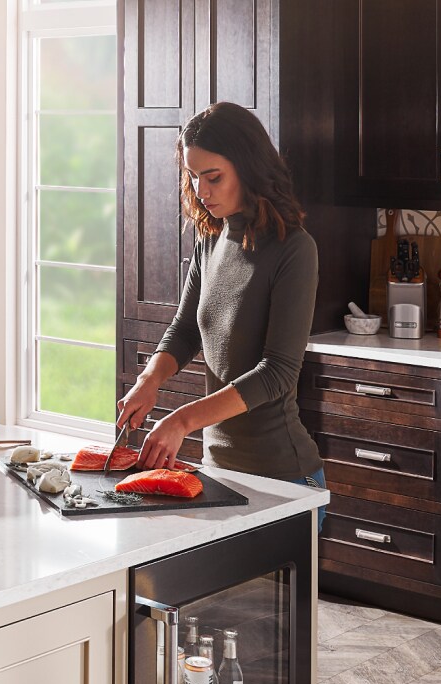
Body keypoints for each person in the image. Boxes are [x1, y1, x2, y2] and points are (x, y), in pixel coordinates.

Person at [118, 102, 325, 487]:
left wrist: (182, 420)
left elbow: (277, 373)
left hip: (285, 478)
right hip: (218, 470)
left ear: (248, 169)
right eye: (194, 177)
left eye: (213, 177)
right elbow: (185, 330)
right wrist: (149, 379)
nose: (201, 191)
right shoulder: (211, 237)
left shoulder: (294, 249)